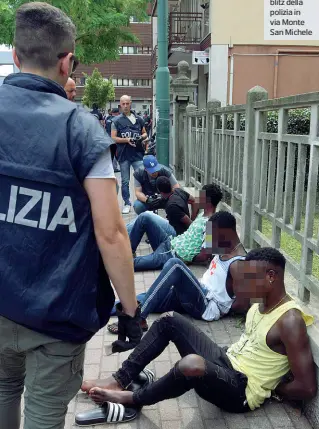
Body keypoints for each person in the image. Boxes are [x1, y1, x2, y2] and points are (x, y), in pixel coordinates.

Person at [0, 3, 140, 429]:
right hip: (57, 311)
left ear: (16, 57)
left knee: (4, 393)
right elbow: (112, 233)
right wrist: (130, 310)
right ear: (67, 63)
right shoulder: (82, 131)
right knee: (44, 415)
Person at [77, 248, 317, 427]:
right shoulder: (259, 304)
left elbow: (306, 387)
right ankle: (121, 378)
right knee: (169, 319)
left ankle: (132, 398)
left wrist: (272, 388)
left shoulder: (290, 321)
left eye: (249, 277)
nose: (242, 283)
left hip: (240, 392)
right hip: (227, 362)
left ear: (271, 277)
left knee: (191, 364)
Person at [108, 211, 247, 334]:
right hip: (196, 292)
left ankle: (138, 320)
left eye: (212, 236)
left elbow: (244, 303)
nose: (208, 243)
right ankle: (100, 310)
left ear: (226, 234)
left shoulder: (238, 263)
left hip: (206, 304)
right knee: (148, 297)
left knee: (175, 265)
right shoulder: (224, 249)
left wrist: (223, 309)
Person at [128, 183, 223, 271]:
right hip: (169, 242)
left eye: (201, 196)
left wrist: (184, 257)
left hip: (170, 255)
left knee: (129, 264)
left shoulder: (211, 225)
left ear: (207, 201)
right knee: (144, 217)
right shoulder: (203, 214)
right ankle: (129, 251)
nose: (198, 197)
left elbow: (205, 255)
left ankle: (121, 259)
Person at [112, 95, 148, 214]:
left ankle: (144, 200)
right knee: (125, 181)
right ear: (120, 105)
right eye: (123, 104)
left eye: (127, 103)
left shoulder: (139, 119)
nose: (126, 106)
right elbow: (113, 137)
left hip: (137, 153)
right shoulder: (116, 121)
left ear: (130, 103)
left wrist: (140, 137)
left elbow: (145, 134)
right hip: (123, 155)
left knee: (142, 177)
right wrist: (126, 140)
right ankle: (127, 203)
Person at [105, 108, 120, 172]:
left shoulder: (108, 118)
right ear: (117, 113)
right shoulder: (117, 119)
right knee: (116, 153)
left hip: (107, 137)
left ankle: (109, 168)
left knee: (110, 154)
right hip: (114, 138)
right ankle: (114, 168)